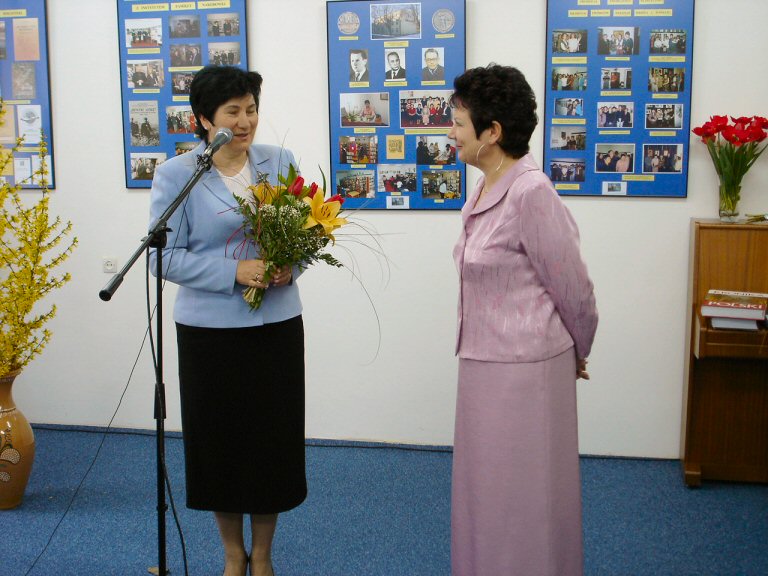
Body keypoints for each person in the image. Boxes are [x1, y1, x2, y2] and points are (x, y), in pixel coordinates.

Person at [148, 65, 306, 576]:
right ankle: (231, 554)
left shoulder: (279, 163)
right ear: (203, 119)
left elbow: (307, 236)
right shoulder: (177, 174)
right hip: (209, 332)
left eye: (251, 109)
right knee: (221, 444)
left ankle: (263, 555)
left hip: (275, 326)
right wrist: (232, 272)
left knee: (270, 442)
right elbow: (161, 258)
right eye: (233, 111)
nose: (245, 121)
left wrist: (290, 264)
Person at [448, 64, 598, 576]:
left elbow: (574, 287)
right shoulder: (486, 186)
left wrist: (580, 349)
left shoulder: (532, 192)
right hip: (482, 362)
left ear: (492, 133)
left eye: (459, 124)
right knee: (486, 492)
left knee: (526, 498)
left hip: (528, 371)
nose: (451, 133)